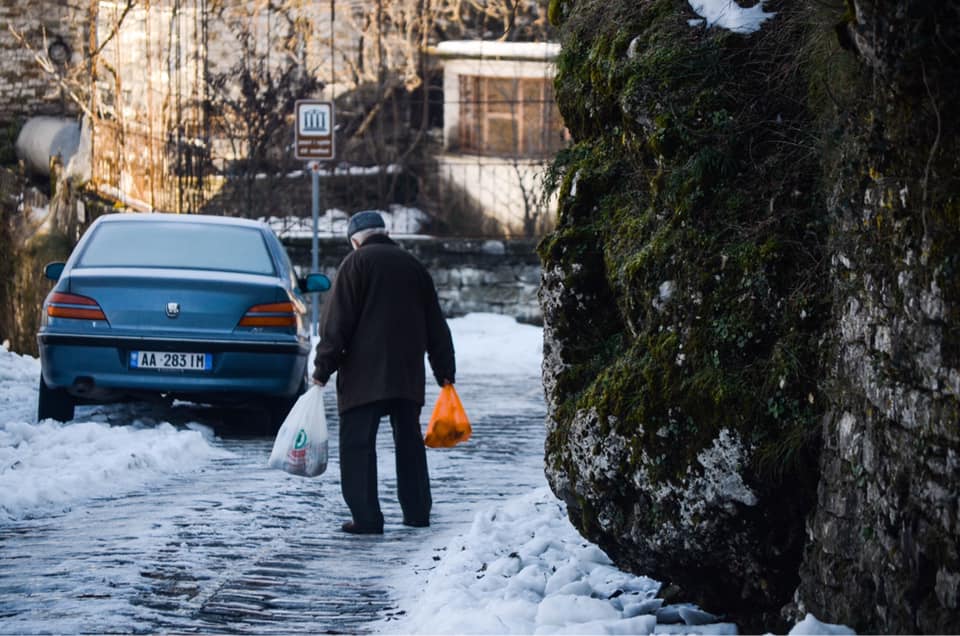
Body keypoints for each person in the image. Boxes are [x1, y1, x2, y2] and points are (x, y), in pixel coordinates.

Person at [312, 210, 456, 535]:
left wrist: (323, 368)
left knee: (357, 445)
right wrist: (444, 369)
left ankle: (366, 518)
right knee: (409, 443)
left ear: (354, 240)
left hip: (363, 377)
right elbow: (436, 323)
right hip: (406, 373)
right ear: (385, 232)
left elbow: (337, 323)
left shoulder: (355, 264)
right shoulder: (414, 266)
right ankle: (417, 512)